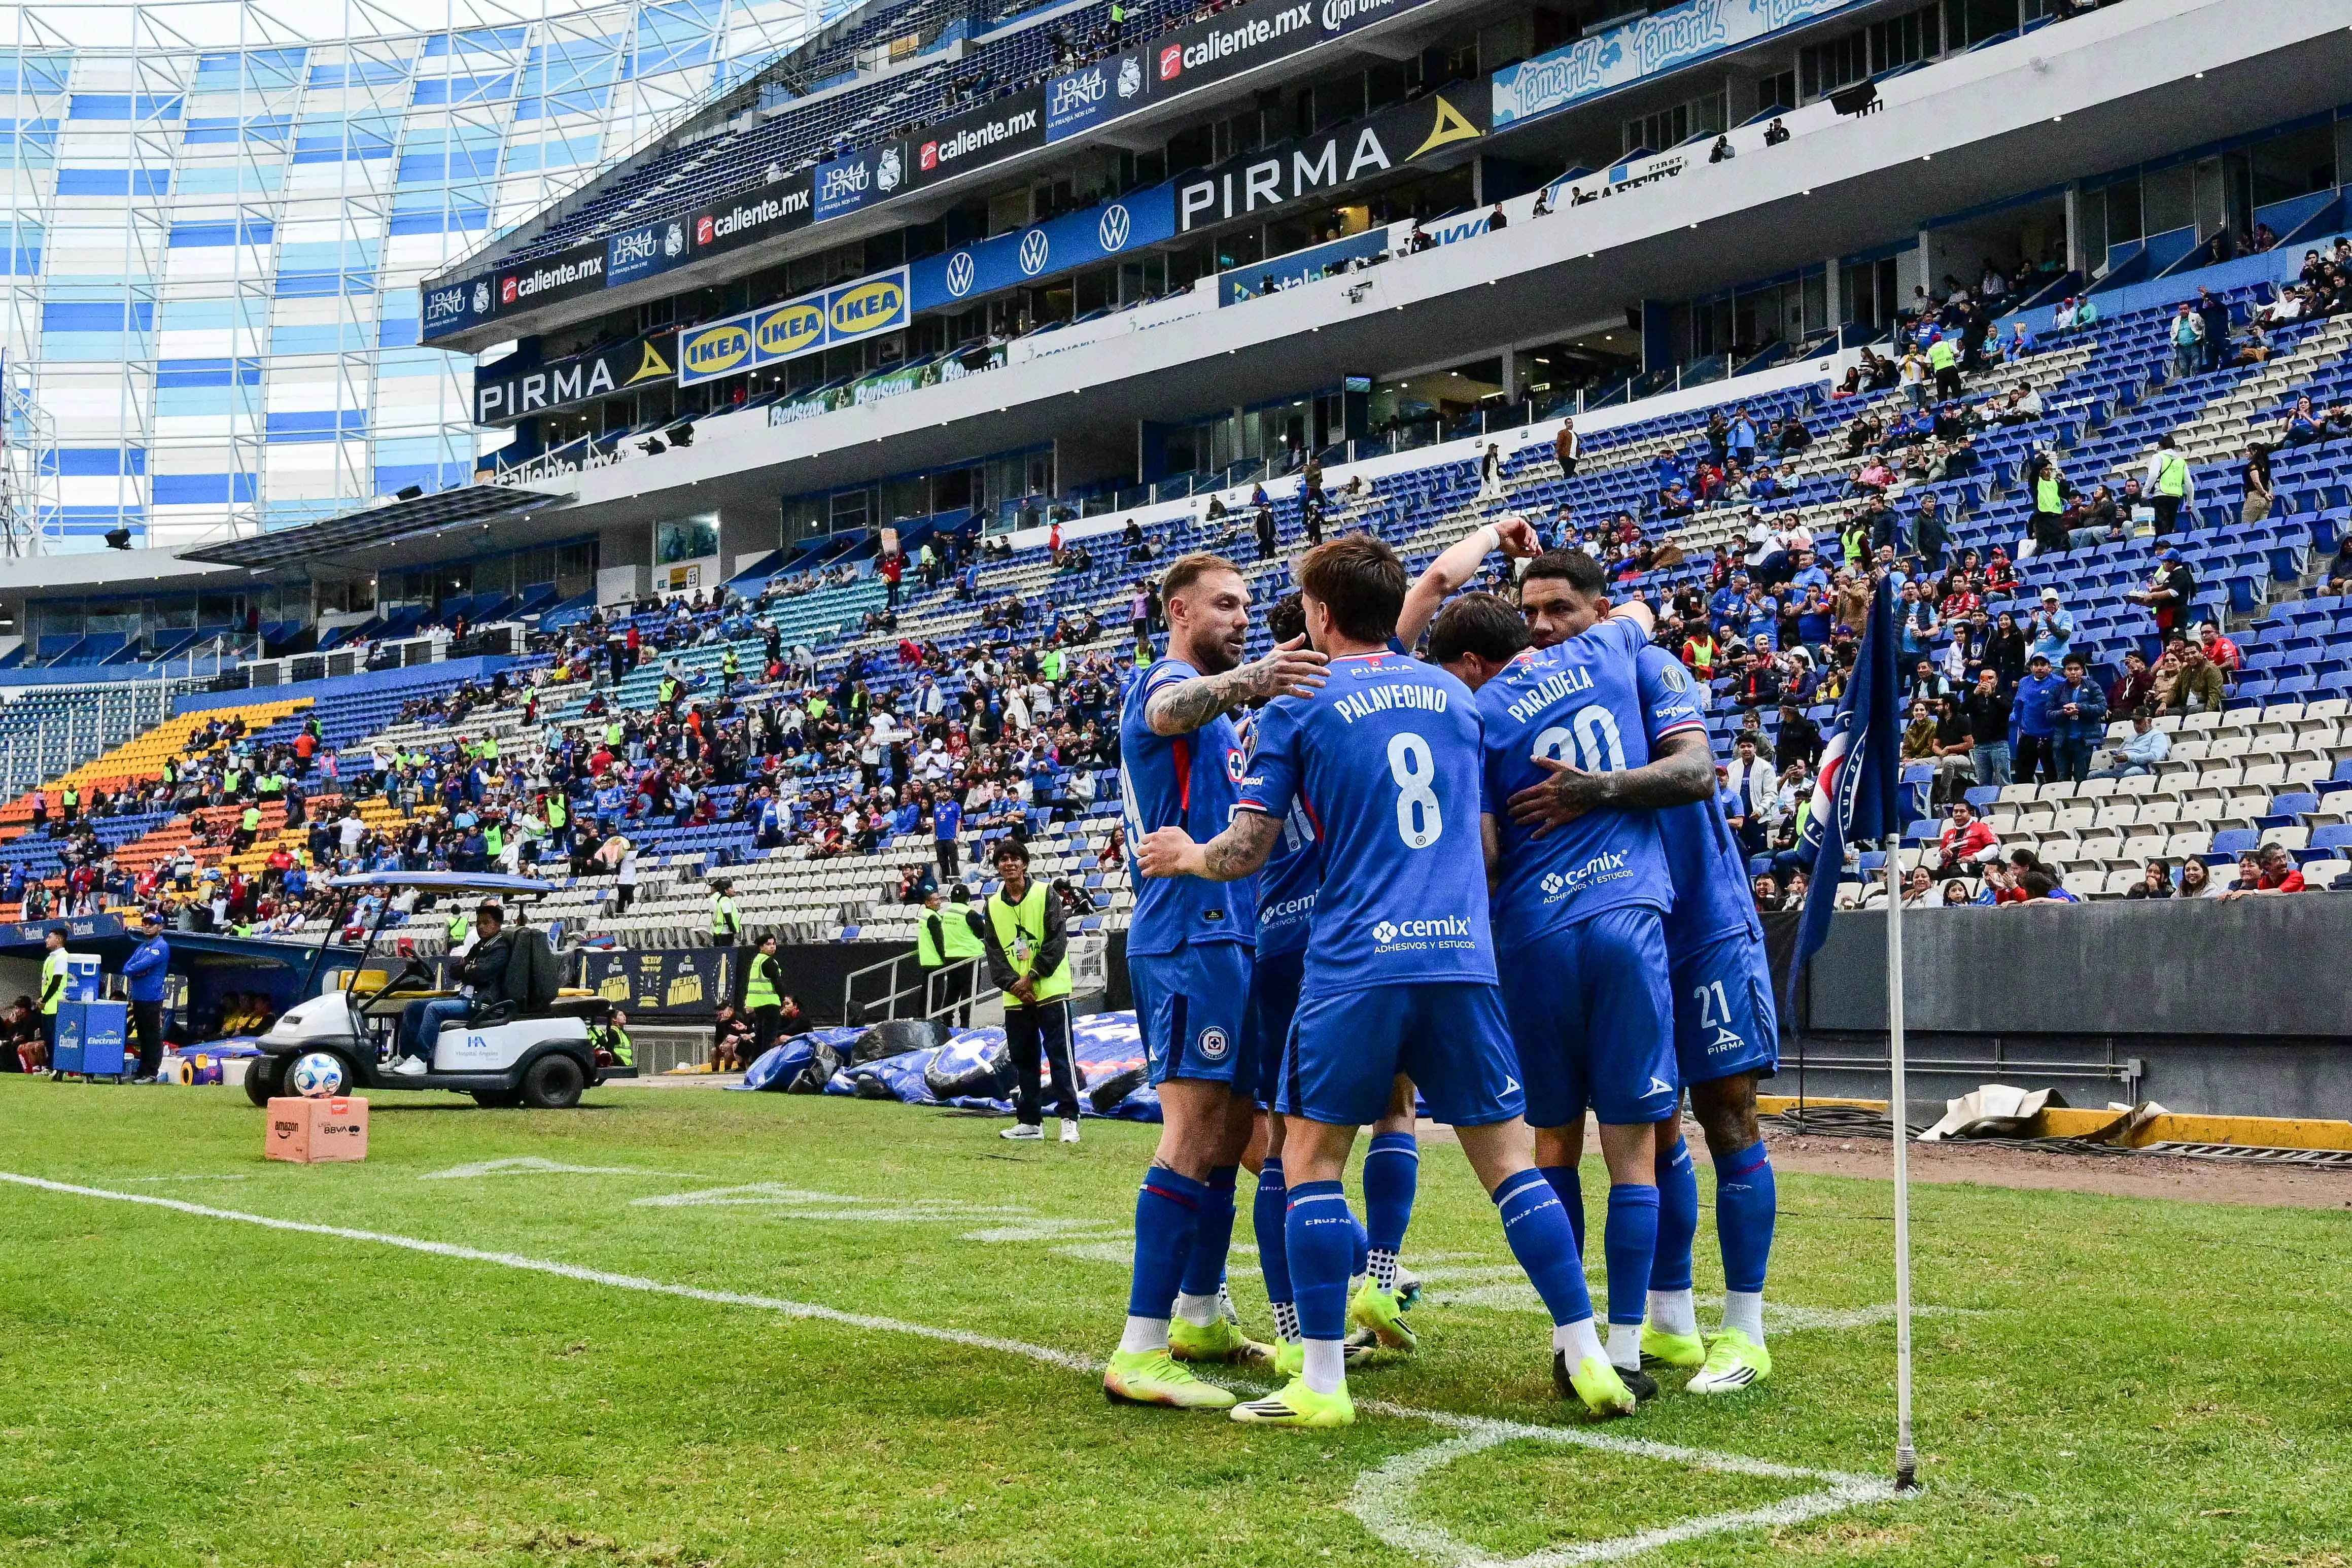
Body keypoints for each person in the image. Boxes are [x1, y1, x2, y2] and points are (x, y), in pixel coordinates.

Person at [1139, 535, 1644, 1426]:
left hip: (1355, 962)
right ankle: (1589, 1351)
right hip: (1461, 957)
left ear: (1323, 615)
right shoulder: (1456, 694)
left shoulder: (1302, 700)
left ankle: (1322, 1382)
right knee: (1512, 1168)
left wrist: (1186, 855)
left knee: (1309, 1161)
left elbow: (1249, 845)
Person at [1103, 550, 1327, 1410]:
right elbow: (1166, 709)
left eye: (1245, 606)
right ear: (1178, 613)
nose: (1240, 618)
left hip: (1229, 934)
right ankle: (1139, 1347)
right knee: (1193, 1134)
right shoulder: (1161, 684)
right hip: (1185, 937)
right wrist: (1259, 678)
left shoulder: (1225, 715)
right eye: (1224, 606)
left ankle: (1198, 1315)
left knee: (1236, 1136)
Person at [982, 838, 1082, 1144]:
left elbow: (1057, 938)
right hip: (1016, 997)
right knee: (1024, 1060)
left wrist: (1034, 975)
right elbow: (994, 952)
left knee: (1060, 1056)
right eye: (1003, 859)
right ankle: (1030, 1122)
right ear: (998, 867)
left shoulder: (1044, 893)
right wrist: (1015, 984)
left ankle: (1069, 1120)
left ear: (1024, 863)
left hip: (1050, 990)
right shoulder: (993, 904)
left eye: (1014, 858)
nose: (1009, 864)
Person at [393, 902, 512, 1074]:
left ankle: (420, 1058)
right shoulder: (480, 946)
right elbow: (454, 971)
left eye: (486, 923)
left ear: (497, 924)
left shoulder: (500, 948)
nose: (481, 927)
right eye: (479, 923)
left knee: (434, 1009)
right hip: (465, 997)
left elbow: (482, 973)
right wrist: (469, 968)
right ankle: (406, 1056)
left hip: (481, 1003)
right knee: (414, 1007)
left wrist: (469, 968)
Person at [121, 910, 170, 1083]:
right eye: (146, 924)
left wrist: (137, 970)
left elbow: (142, 965)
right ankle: (142, 1071)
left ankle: (151, 1073)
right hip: (139, 997)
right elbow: (127, 968)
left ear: (160, 927)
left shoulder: (161, 946)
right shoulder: (142, 947)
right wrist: (138, 971)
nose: (147, 927)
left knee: (152, 1036)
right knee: (142, 1035)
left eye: (152, 924)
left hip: (152, 998)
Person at [744, 932, 787, 1055]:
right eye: (768, 944)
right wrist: (783, 998)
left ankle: (756, 1063)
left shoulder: (757, 960)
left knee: (760, 1036)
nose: (772, 947)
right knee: (769, 1038)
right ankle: (765, 1065)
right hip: (770, 1003)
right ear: (761, 947)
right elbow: (777, 983)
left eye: (774, 944)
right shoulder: (769, 962)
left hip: (759, 1004)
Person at [2220, 842, 2305, 899]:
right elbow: (2243, 886)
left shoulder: (2296, 876)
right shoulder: (2263, 882)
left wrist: (2252, 892)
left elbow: (2279, 892)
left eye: (2284, 857)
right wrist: (2231, 892)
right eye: (2277, 859)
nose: (2284, 863)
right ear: (2265, 865)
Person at [37, 927, 67, 1074]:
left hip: (56, 1004)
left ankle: (57, 1067)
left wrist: (45, 999)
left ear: (59, 940)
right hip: (48, 1006)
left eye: (50, 937)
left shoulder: (62, 957)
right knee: (48, 1038)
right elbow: (46, 982)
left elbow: (56, 981)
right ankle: (50, 1066)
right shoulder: (50, 957)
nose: (46, 940)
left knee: (55, 1037)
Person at [709, 877, 741, 947]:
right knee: (725, 955)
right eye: (732, 888)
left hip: (721, 931)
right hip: (725, 933)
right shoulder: (726, 901)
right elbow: (728, 917)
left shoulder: (725, 899)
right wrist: (734, 930)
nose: (734, 890)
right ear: (726, 891)